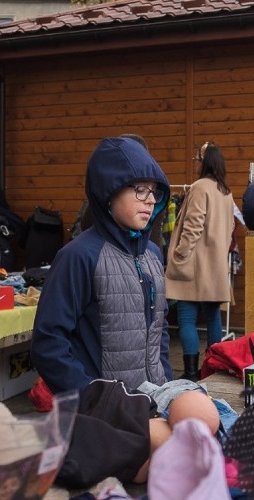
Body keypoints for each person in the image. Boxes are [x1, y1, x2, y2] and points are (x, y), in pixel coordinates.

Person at [31, 137, 174, 394]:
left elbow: (159, 329)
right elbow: (48, 343)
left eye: (154, 191)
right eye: (140, 189)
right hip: (104, 416)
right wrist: (92, 400)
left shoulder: (152, 254)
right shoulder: (78, 256)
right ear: (109, 191)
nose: (150, 200)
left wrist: (166, 387)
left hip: (153, 402)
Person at [165, 142, 235, 381]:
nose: (195, 162)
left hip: (193, 266)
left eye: (197, 158)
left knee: (186, 319)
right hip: (215, 266)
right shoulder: (225, 191)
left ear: (205, 161)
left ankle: (192, 372)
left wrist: (180, 253)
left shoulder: (199, 187)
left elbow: (193, 224)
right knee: (213, 317)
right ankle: (214, 368)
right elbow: (231, 226)